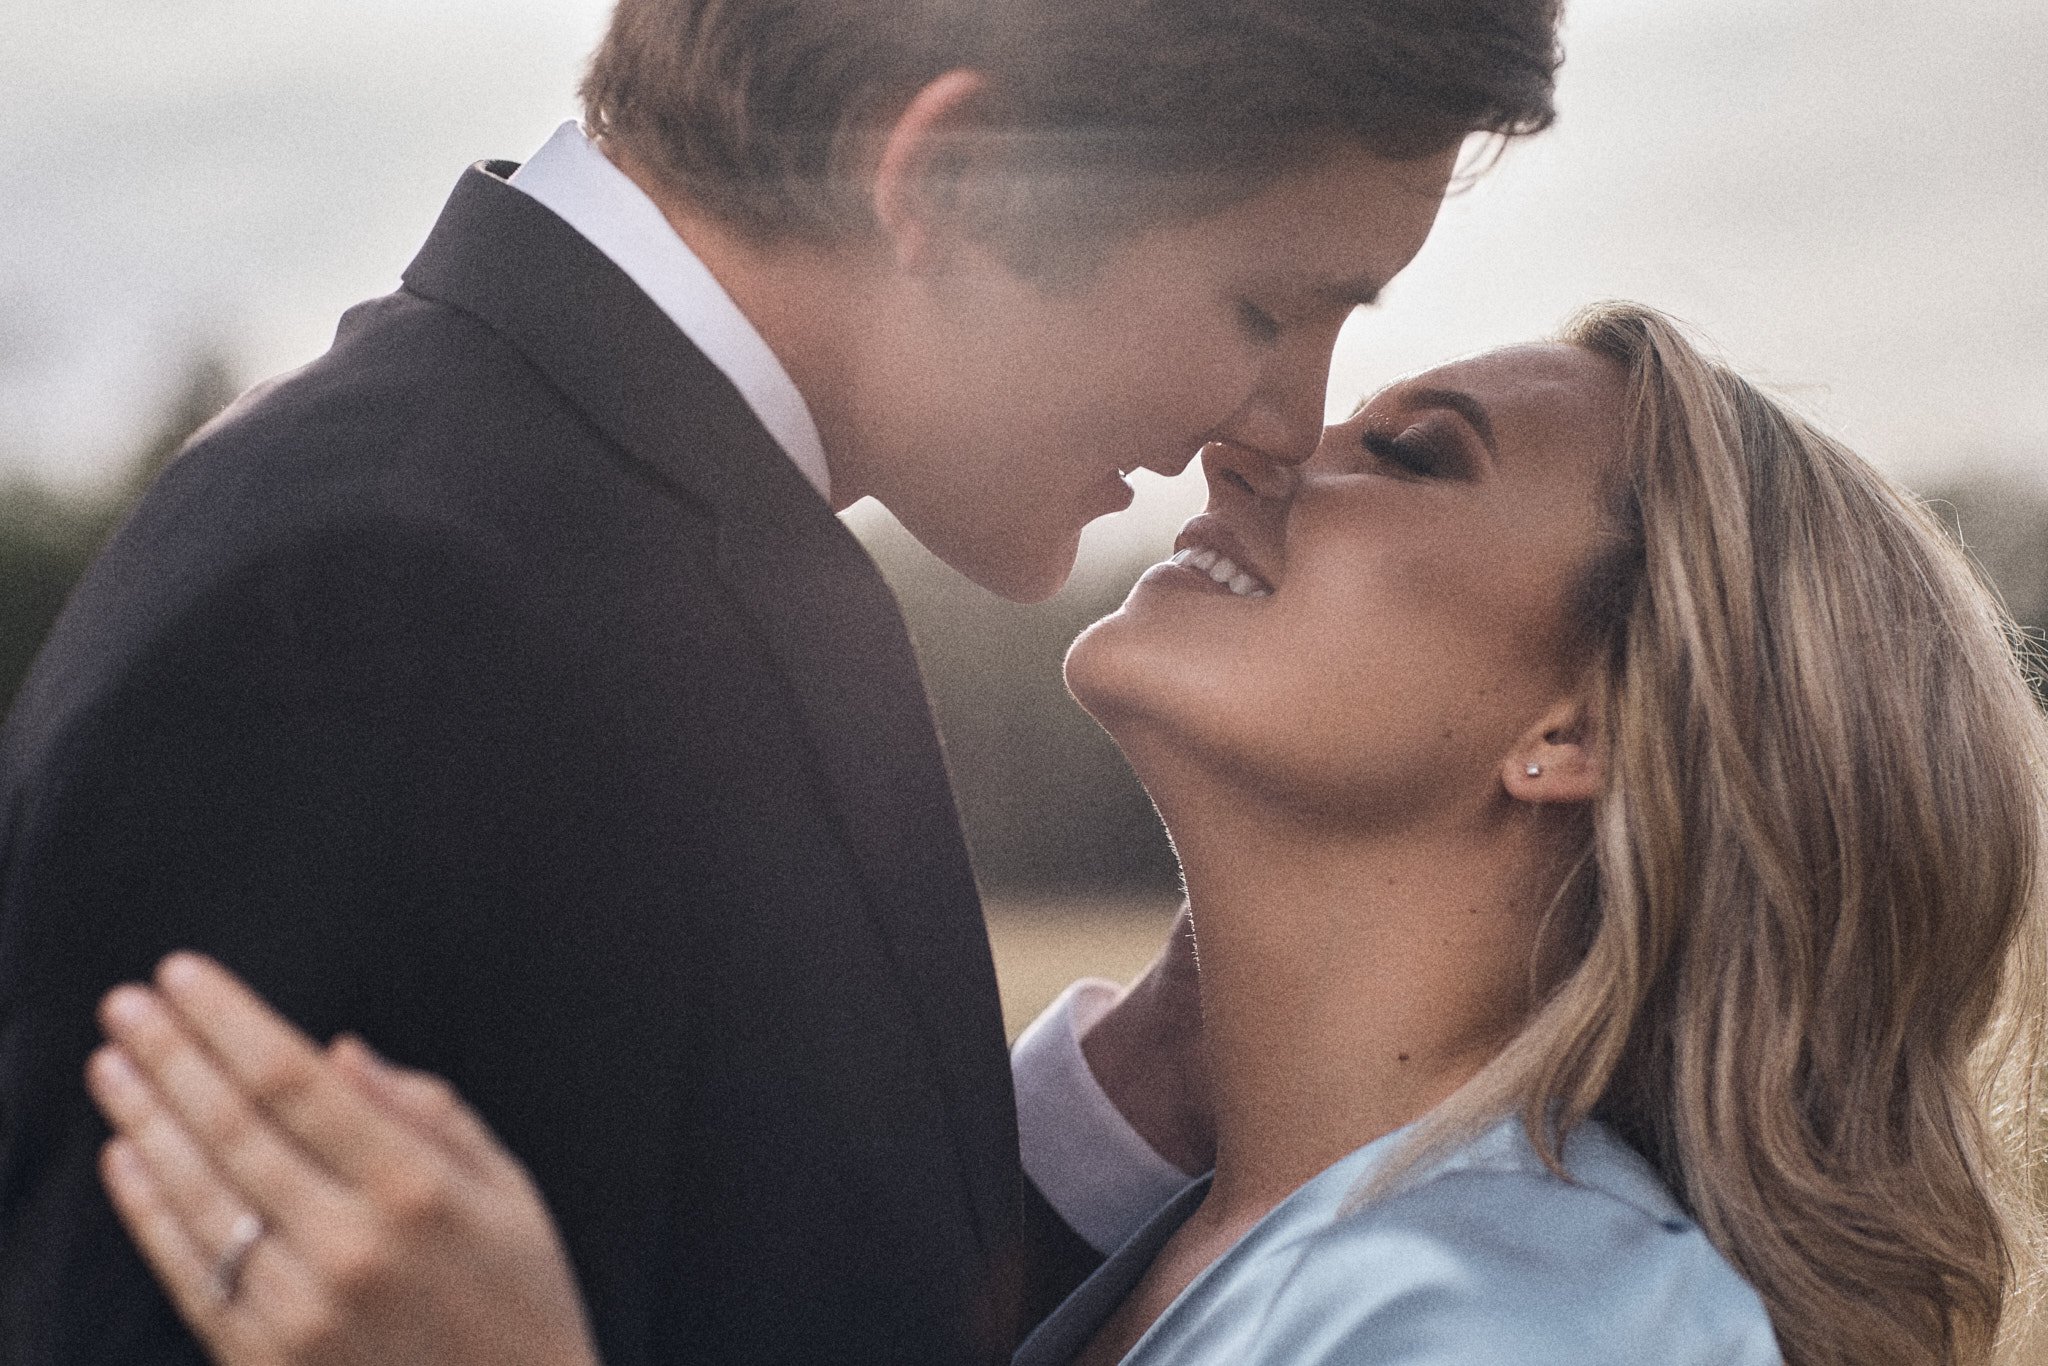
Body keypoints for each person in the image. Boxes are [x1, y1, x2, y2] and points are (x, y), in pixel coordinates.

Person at [0, 1, 1567, 1361]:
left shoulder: (662, 553)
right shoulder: (376, 607)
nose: (1282, 423)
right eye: (1268, 306)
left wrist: (1131, 1108)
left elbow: (747, 1290)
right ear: (954, 182)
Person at [84, 303, 2048, 1366]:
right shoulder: (1186, 1226)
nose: (1264, 443)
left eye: (1413, 452)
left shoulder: (1534, 1324)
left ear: (1580, 723)